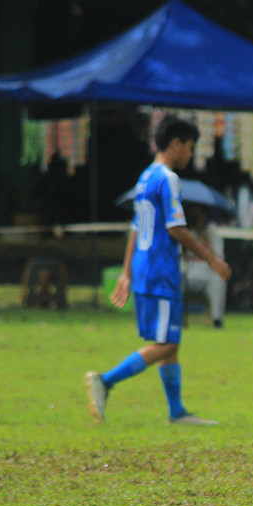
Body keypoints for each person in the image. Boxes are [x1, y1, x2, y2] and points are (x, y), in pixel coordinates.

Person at [84, 115, 231, 425]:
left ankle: (176, 411)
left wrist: (126, 271)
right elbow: (176, 228)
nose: (190, 154)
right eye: (189, 147)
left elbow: (136, 228)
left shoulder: (145, 177)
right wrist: (212, 259)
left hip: (145, 268)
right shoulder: (168, 178)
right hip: (161, 269)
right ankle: (106, 381)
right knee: (166, 344)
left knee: (169, 340)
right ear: (175, 144)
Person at [183, 204, 227, 328]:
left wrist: (207, 242)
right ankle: (177, 319)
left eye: (200, 215)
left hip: (206, 277)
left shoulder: (213, 236)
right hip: (188, 276)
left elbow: (219, 262)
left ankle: (216, 319)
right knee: (177, 278)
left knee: (218, 280)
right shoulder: (184, 235)